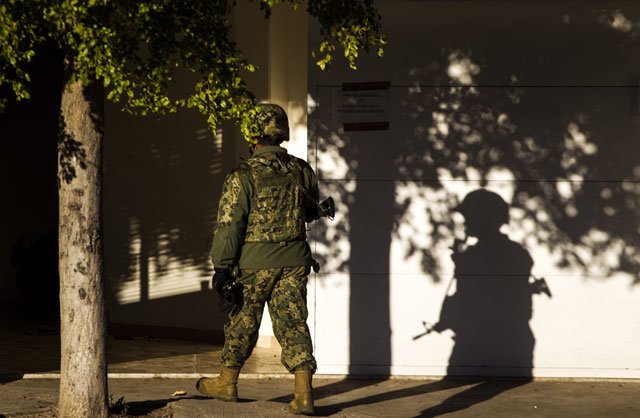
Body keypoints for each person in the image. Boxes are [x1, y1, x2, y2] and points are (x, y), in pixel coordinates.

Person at [197, 103, 326, 416]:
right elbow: (309, 213)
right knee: (294, 322)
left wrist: (222, 267)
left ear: (251, 135)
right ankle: (303, 394)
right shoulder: (301, 169)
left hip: (255, 264)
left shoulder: (241, 176)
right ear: (281, 131)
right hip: (295, 261)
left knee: (243, 322)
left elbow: (230, 225)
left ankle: (227, 383)